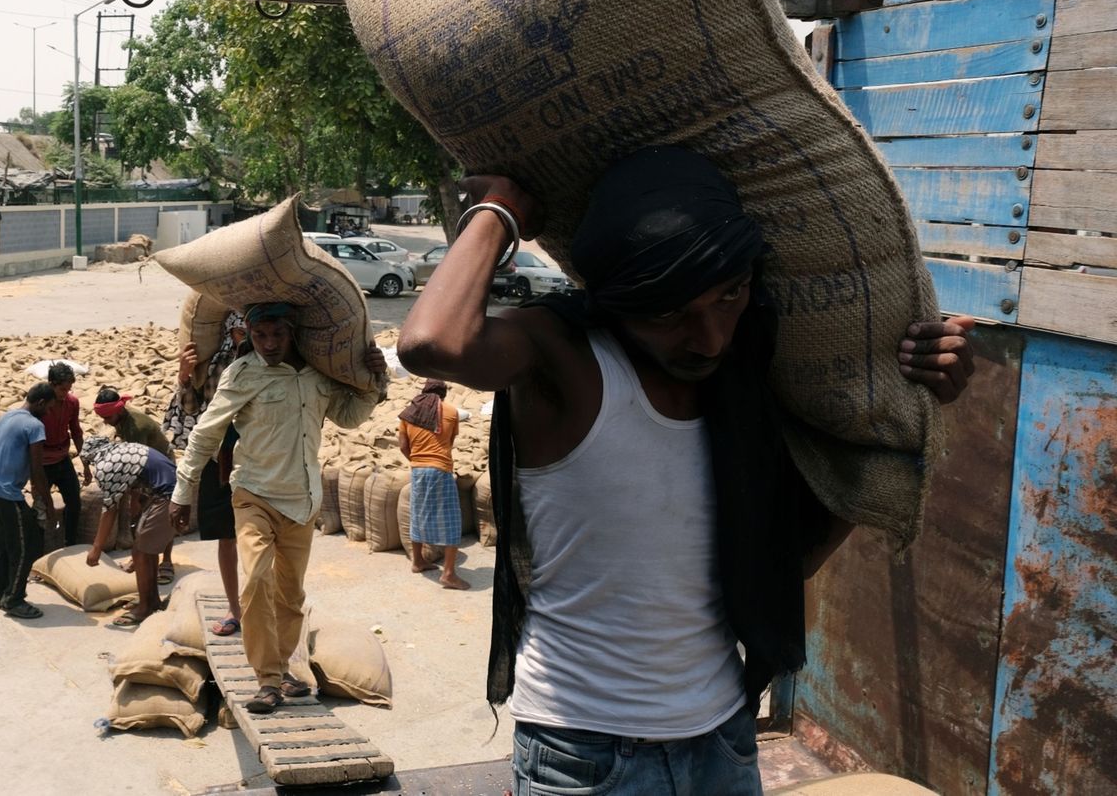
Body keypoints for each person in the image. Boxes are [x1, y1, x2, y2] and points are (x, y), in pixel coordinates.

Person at [397, 148, 976, 796]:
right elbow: (430, 343)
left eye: (729, 294)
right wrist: (501, 210)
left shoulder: (745, 384)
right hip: (588, 755)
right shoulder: (562, 358)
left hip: (724, 739)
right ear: (618, 299)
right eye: (671, 313)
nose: (709, 338)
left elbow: (784, 563)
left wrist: (912, 397)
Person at [169, 302, 389, 714]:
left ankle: (284, 668)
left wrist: (377, 378)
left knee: (290, 596)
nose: (269, 345)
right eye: (260, 336)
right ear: (250, 336)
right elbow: (206, 431)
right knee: (254, 583)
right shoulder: (243, 373)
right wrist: (183, 491)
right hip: (254, 494)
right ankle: (267, 679)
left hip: (302, 502)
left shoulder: (317, 376)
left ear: (292, 334)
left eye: (277, 335)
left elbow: (350, 416)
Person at [165, 312, 251, 636]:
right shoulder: (217, 365)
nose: (248, 337)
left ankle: (264, 605)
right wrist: (184, 376)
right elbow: (193, 409)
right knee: (227, 539)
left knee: (261, 538)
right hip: (220, 461)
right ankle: (236, 608)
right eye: (242, 331)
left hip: (259, 460)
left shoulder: (270, 364)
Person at [0, 383, 57, 620]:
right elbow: (37, 470)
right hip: (6, 495)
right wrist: (49, 505)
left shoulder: (7, 415)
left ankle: (3, 594)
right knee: (27, 546)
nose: (50, 413)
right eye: (49, 408)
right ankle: (14, 599)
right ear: (40, 403)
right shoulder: (34, 426)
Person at [82, 432, 178, 627]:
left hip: (168, 494)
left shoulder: (106, 466)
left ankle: (144, 608)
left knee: (140, 553)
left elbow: (109, 511)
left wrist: (96, 549)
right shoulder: (122, 451)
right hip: (172, 489)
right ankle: (152, 601)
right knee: (145, 551)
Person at [95, 387, 177, 582]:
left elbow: (137, 464)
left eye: (107, 417)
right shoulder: (120, 419)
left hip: (162, 467)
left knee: (165, 516)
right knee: (138, 517)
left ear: (118, 411)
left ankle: (166, 560)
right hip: (144, 464)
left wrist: (135, 497)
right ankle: (138, 557)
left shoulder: (136, 427)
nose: (105, 422)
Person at [397, 378, 467, 590]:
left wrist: (418, 461)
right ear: (442, 394)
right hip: (440, 470)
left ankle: (417, 561)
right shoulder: (451, 412)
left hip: (417, 469)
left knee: (418, 514)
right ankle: (448, 574)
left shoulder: (409, 413)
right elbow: (449, 444)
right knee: (452, 520)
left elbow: (402, 446)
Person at [36, 362, 91, 547]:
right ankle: (38, 550)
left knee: (74, 502)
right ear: (51, 384)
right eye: (61, 389)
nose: (64, 393)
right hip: (42, 463)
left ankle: (70, 543)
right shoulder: (41, 404)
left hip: (62, 459)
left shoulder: (72, 403)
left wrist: (84, 462)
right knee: (41, 507)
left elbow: (76, 431)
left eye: (68, 389)